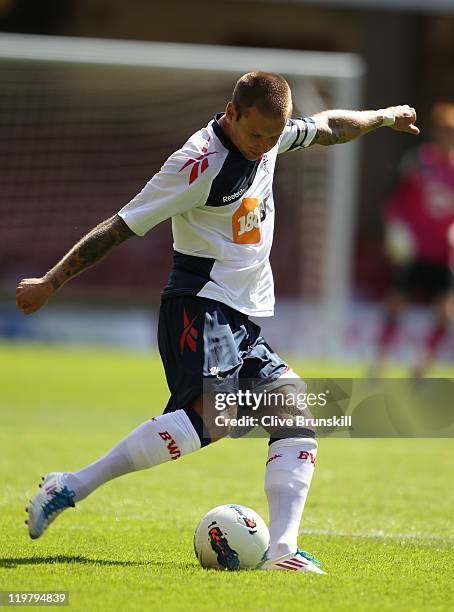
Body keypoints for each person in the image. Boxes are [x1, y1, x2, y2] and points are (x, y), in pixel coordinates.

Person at [16, 72, 419, 573]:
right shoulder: (197, 163)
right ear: (232, 113)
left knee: (295, 414)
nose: (264, 147)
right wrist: (51, 282)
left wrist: (382, 117)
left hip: (239, 313)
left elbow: (329, 127)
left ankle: (283, 553)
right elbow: (121, 225)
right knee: (218, 417)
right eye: (256, 136)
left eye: (273, 138)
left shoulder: (268, 138)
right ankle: (70, 485)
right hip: (198, 304)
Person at [376, 101, 454, 377]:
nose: (448, 135)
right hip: (414, 251)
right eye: (445, 130)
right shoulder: (420, 163)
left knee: (445, 313)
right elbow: (395, 201)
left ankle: (422, 365)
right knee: (396, 303)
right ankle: (380, 362)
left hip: (444, 255)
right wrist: (395, 229)